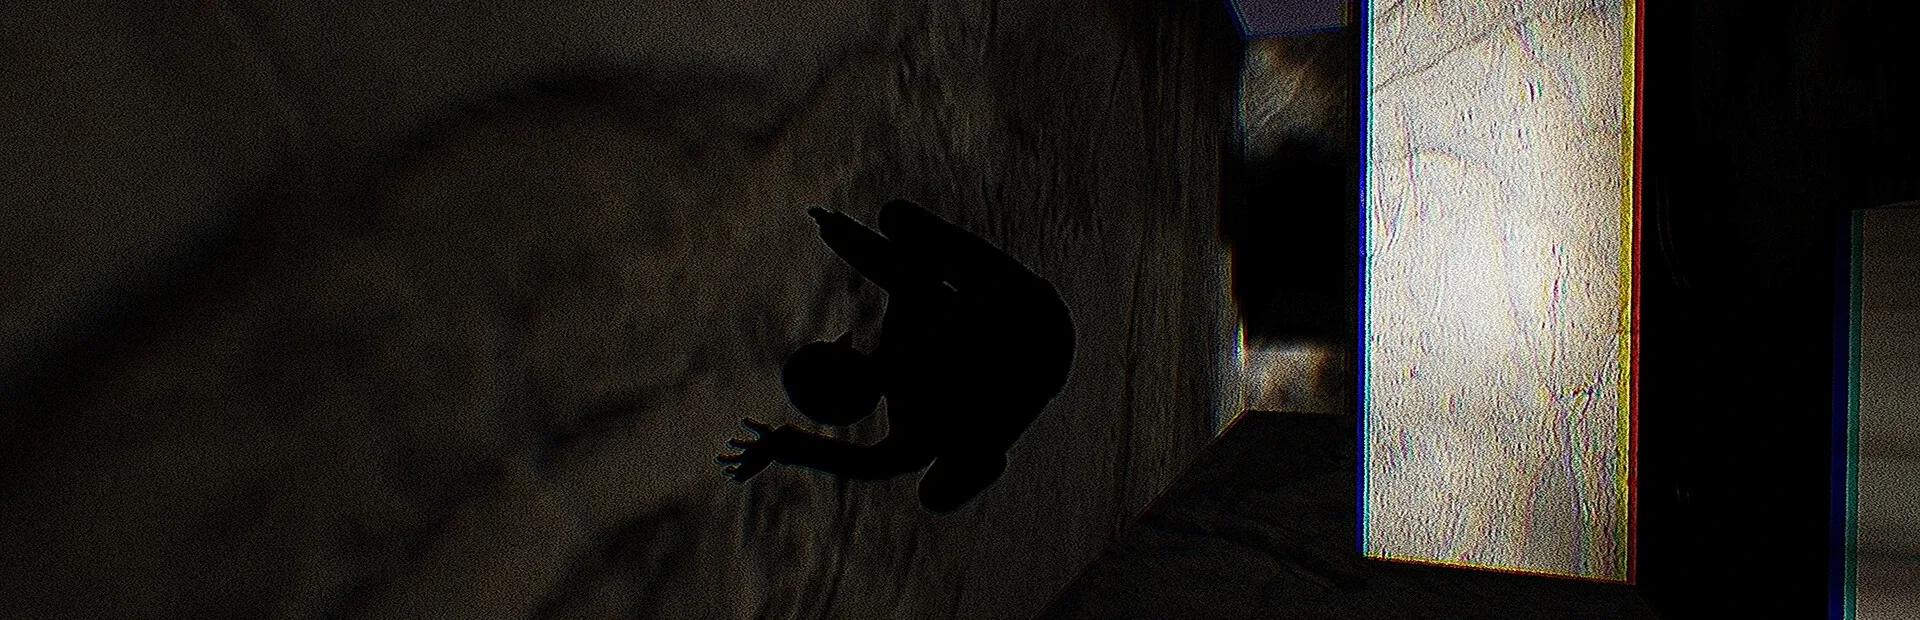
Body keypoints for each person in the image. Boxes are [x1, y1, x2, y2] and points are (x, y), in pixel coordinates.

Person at [717, 199, 1076, 513]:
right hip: (1040, 325)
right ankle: (989, 426)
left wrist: (785, 446)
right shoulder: (907, 341)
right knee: (897, 223)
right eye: (831, 348)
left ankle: (990, 428)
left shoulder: (909, 429)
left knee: (936, 494)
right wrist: (839, 232)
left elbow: (874, 465)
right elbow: (900, 272)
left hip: (1038, 347)